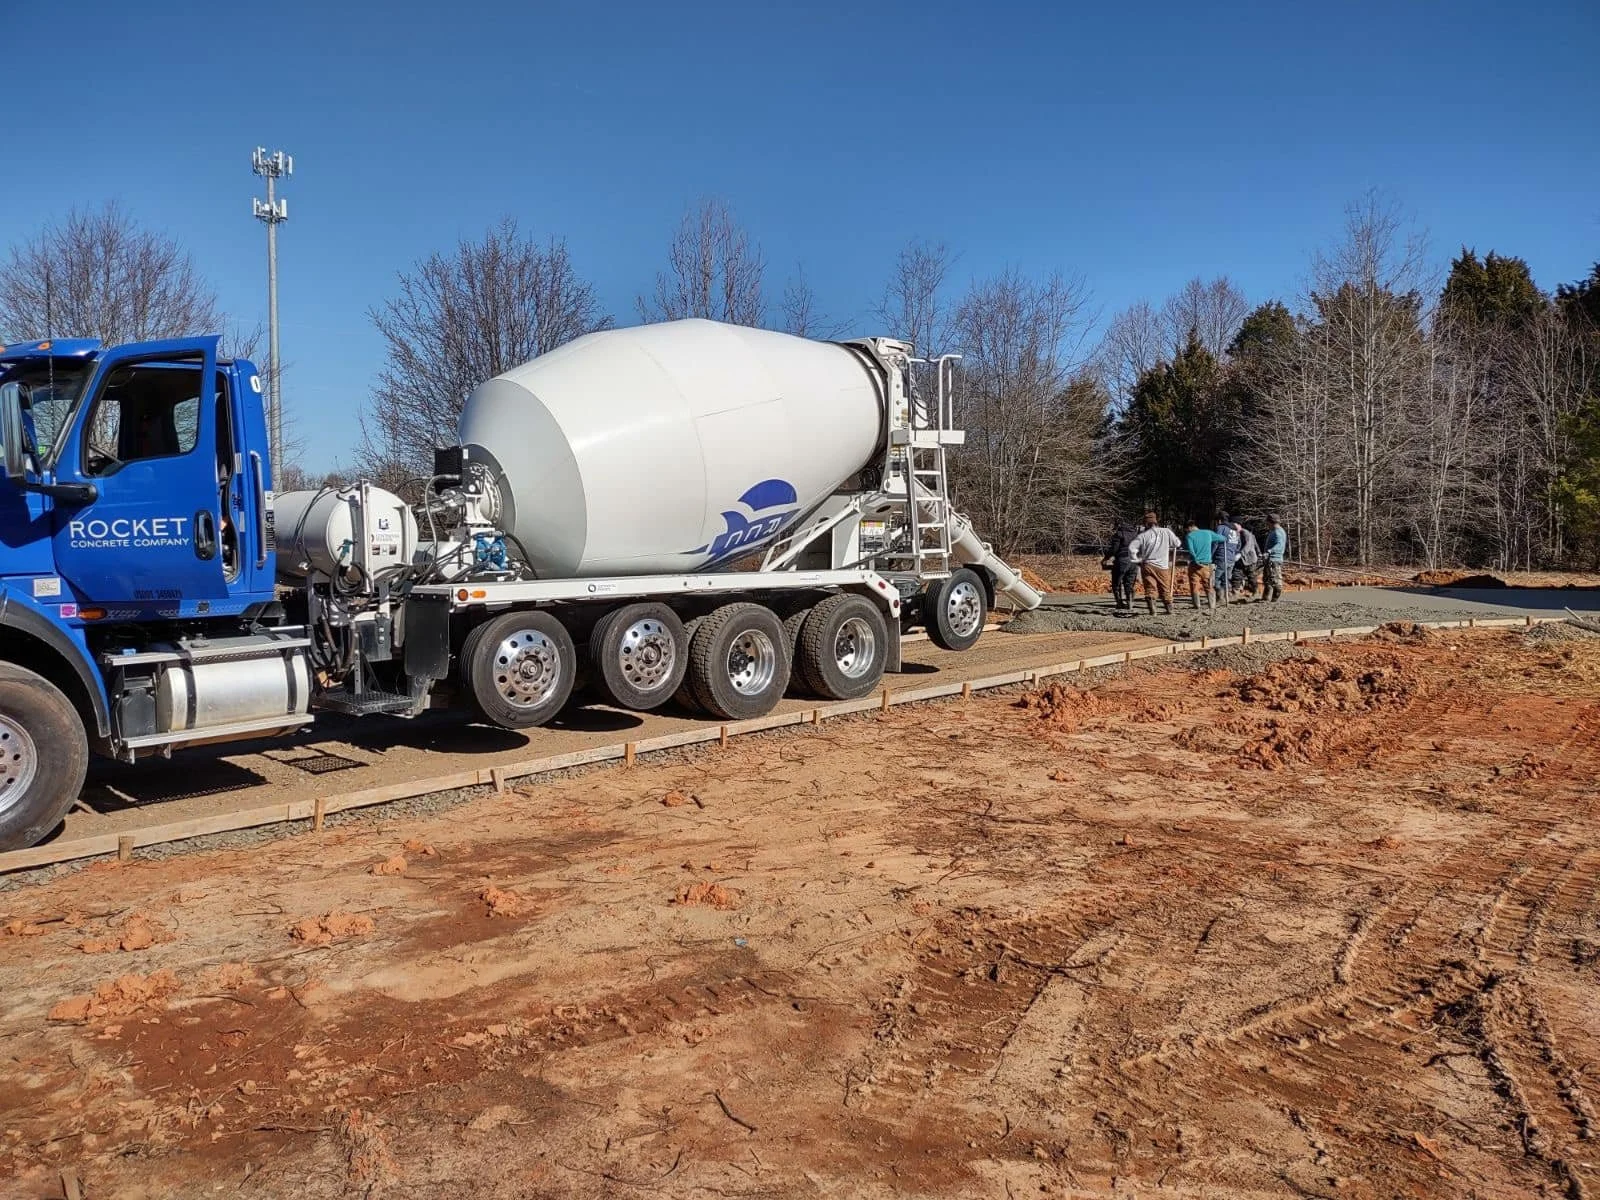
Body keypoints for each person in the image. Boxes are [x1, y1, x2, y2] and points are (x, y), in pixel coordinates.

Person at [1126, 511, 1179, 615]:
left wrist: (1136, 560)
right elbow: (1177, 543)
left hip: (1147, 565)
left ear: (1146, 523)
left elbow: (1132, 549)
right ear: (1156, 521)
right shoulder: (1166, 531)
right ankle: (1169, 609)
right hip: (1162, 566)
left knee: (1150, 588)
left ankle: (1153, 610)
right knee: (1165, 588)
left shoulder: (1143, 535)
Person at [1100, 520, 1139, 613]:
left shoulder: (1119, 534)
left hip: (1122, 560)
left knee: (1116, 583)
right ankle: (1130, 603)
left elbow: (1114, 549)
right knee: (1129, 583)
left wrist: (1106, 558)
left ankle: (1119, 603)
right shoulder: (1136, 534)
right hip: (1134, 561)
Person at [1184, 521, 1223, 612]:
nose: (1187, 532)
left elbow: (1191, 550)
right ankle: (1212, 605)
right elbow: (1222, 538)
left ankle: (1197, 605)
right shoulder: (1208, 533)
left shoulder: (1190, 536)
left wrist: (1196, 559)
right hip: (1206, 565)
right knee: (1208, 585)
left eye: (1187, 530)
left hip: (1194, 565)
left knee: (1194, 585)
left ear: (1190, 527)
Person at [1212, 512, 1242, 605]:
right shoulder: (1235, 530)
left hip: (1221, 557)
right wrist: (1234, 553)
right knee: (1226, 579)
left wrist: (1211, 554)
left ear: (1219, 520)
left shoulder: (1221, 528)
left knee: (1215, 579)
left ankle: (1220, 597)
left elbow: (1215, 542)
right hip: (1231, 558)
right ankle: (1226, 597)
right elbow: (1239, 544)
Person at [1262, 514, 1289, 602]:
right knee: (1267, 580)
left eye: (1267, 522)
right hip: (1269, 559)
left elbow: (1279, 544)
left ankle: (1274, 599)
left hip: (1274, 559)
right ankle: (1265, 598)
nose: (1267, 525)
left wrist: (1269, 551)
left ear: (1271, 522)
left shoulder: (1278, 532)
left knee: (1275, 579)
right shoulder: (1275, 531)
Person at [1234, 521, 1261, 599]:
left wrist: (1259, 553)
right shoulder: (1235, 533)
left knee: (1251, 576)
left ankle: (1255, 591)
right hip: (1239, 560)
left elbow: (1249, 546)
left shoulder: (1246, 534)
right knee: (1237, 575)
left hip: (1249, 559)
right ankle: (1236, 592)